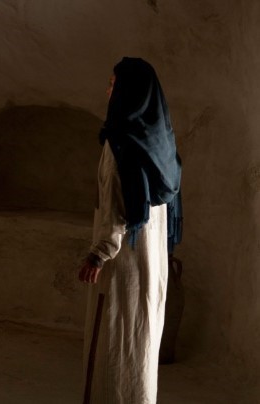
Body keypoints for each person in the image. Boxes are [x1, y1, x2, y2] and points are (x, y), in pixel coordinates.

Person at [78, 57, 182, 404]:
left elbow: (116, 208)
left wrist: (98, 254)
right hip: (152, 265)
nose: (108, 91)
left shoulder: (119, 143)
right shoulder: (161, 140)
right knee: (142, 342)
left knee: (116, 339)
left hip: (125, 264)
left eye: (113, 84)